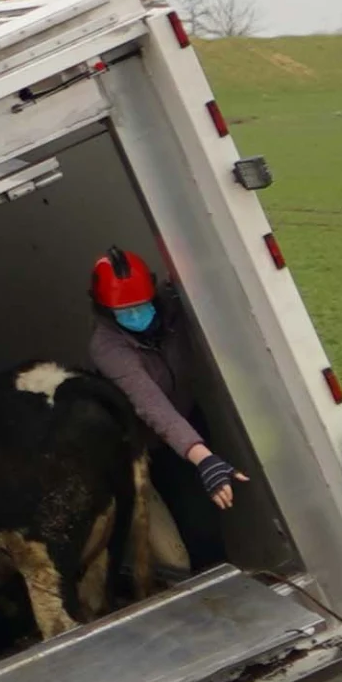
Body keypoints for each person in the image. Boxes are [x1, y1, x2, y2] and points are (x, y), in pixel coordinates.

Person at [83, 247, 241, 577]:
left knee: (208, 527)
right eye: (124, 310)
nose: (135, 314)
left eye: (141, 305)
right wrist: (202, 458)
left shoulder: (171, 310)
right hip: (150, 447)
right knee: (183, 544)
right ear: (106, 310)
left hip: (189, 422)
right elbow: (150, 403)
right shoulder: (107, 348)